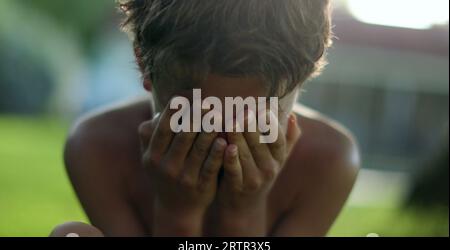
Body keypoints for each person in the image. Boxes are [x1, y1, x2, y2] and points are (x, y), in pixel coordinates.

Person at [50, 0, 360, 237]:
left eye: (252, 120)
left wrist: (243, 210)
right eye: (198, 115)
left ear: (302, 79)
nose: (226, 139)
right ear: (144, 63)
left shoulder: (328, 161)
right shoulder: (97, 149)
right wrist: (178, 213)